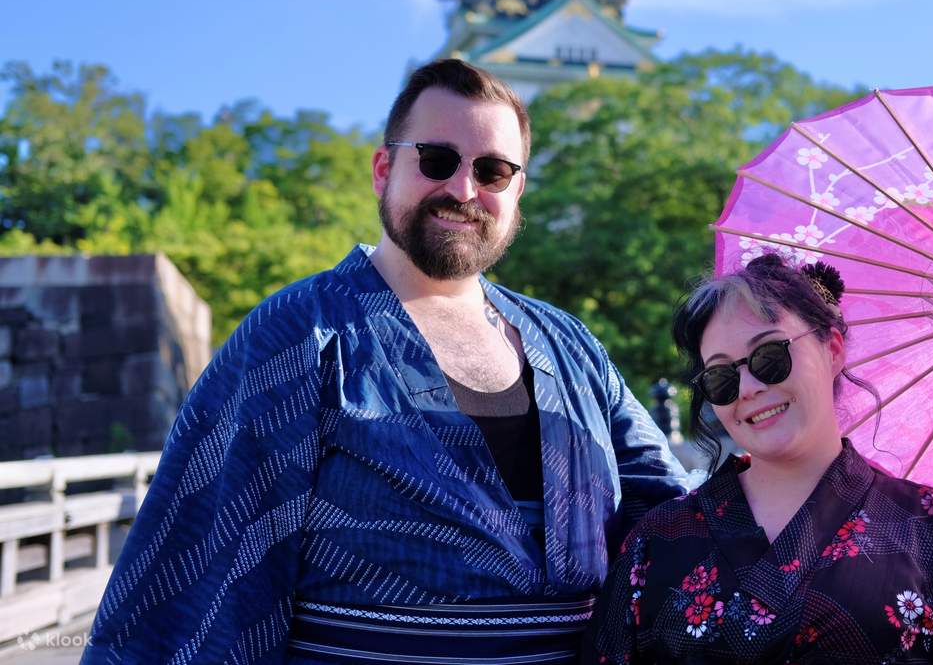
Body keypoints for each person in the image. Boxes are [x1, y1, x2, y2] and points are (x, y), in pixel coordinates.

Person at [84, 59, 687, 664]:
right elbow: (202, 567)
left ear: (518, 190)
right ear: (383, 169)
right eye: (437, 160)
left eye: (493, 170)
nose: (464, 190)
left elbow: (674, 518)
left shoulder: (572, 348)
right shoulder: (300, 332)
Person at [585, 254, 933, 664]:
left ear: (833, 349)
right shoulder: (658, 540)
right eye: (721, 377)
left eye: (769, 357)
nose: (748, 388)